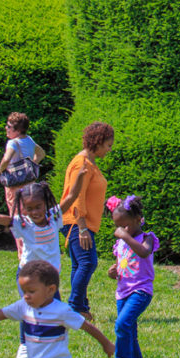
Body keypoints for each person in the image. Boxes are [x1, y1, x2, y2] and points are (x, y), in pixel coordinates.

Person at [0, 167, 87, 358]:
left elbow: (71, 196)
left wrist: (79, 176)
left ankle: (56, 345)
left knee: (53, 310)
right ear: (23, 208)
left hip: (49, 278)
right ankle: (24, 344)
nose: (34, 212)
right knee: (29, 307)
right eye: (29, 208)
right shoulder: (23, 224)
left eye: (38, 207)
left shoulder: (54, 217)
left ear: (45, 204)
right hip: (28, 276)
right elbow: (0, 218)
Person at [60, 121, 114, 322]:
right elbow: (77, 196)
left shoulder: (90, 163)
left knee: (79, 264)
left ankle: (80, 306)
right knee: (88, 262)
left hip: (81, 222)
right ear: (97, 142)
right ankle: (75, 307)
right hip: (77, 223)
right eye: (108, 145)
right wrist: (82, 228)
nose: (109, 149)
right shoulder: (81, 163)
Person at [104, 195, 156, 358]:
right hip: (123, 292)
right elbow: (124, 263)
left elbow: (143, 252)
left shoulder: (147, 238)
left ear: (137, 220)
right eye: (118, 226)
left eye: (124, 226)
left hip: (141, 291)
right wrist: (114, 271)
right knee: (130, 333)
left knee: (122, 324)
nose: (120, 230)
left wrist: (125, 236)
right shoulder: (120, 242)